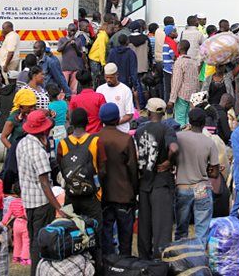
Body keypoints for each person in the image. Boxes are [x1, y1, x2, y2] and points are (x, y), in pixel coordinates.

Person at [57, 108, 106, 271]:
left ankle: (75, 269)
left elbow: (61, 168)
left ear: (70, 122)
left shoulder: (63, 143)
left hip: (71, 197)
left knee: (74, 235)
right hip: (92, 196)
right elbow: (103, 169)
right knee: (96, 234)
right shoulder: (95, 141)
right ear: (88, 122)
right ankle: (97, 267)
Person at [16, 110, 64, 275]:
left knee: (33, 239)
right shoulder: (39, 153)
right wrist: (59, 207)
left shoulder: (22, 143)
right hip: (42, 204)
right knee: (42, 242)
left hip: (28, 200)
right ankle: (38, 271)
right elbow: (45, 184)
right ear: (43, 131)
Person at [135, 98, 178, 259]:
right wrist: (169, 161)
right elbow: (174, 148)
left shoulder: (139, 131)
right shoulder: (167, 130)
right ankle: (160, 260)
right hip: (161, 182)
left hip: (144, 182)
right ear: (163, 113)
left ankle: (144, 259)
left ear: (148, 112)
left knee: (144, 226)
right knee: (162, 226)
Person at [96, 103, 138, 256]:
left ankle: (108, 265)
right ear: (117, 118)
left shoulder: (95, 138)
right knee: (125, 236)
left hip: (103, 195)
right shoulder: (125, 139)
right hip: (124, 194)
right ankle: (125, 265)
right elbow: (132, 169)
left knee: (106, 234)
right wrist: (135, 191)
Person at [173, 108, 219, 245]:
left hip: (183, 187)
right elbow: (215, 173)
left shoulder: (179, 137)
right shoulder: (209, 142)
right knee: (202, 228)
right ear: (204, 122)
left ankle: (180, 257)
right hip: (201, 188)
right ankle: (199, 257)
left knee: (181, 229)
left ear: (189, 121)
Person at [168, 40, 200, 126]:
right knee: (189, 118)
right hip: (193, 94)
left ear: (179, 48)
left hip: (182, 94)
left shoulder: (179, 63)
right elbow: (196, 79)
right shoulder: (193, 62)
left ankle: (182, 136)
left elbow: (176, 82)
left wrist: (172, 99)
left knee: (180, 118)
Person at [96, 63, 135, 133]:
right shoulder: (100, 89)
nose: (108, 80)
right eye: (106, 77)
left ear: (117, 75)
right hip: (105, 132)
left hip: (122, 131)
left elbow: (129, 114)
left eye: (111, 78)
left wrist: (114, 124)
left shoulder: (125, 90)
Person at [2, 186, 29, 265]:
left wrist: (3, 222)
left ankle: (16, 257)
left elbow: (8, 214)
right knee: (26, 241)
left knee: (17, 241)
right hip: (24, 223)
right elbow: (25, 214)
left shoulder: (13, 202)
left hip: (16, 223)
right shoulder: (24, 202)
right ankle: (25, 259)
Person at [57, 23, 86, 95]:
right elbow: (59, 50)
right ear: (68, 30)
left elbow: (80, 54)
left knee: (74, 90)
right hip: (65, 68)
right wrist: (68, 41)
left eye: (74, 31)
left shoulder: (78, 40)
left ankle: (72, 103)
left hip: (75, 68)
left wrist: (75, 47)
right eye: (71, 31)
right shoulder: (62, 39)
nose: (72, 33)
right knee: (63, 88)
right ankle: (62, 103)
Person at [89, 23, 113, 88]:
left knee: (96, 77)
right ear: (106, 29)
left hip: (96, 59)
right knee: (96, 77)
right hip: (96, 59)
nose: (112, 31)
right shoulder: (103, 36)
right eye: (111, 29)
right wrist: (103, 63)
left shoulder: (103, 35)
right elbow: (102, 50)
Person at [47, 84, 68, 149]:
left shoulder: (49, 105)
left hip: (53, 130)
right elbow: (68, 115)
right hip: (63, 128)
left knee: (54, 148)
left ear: (49, 95)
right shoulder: (64, 103)